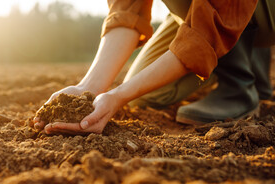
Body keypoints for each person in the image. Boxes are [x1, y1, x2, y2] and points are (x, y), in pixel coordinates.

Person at [35, 0, 274, 135]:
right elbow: (127, 11)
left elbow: (205, 32)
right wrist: (90, 88)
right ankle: (240, 55)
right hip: (202, 7)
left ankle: (239, 87)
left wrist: (119, 96)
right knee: (148, 91)